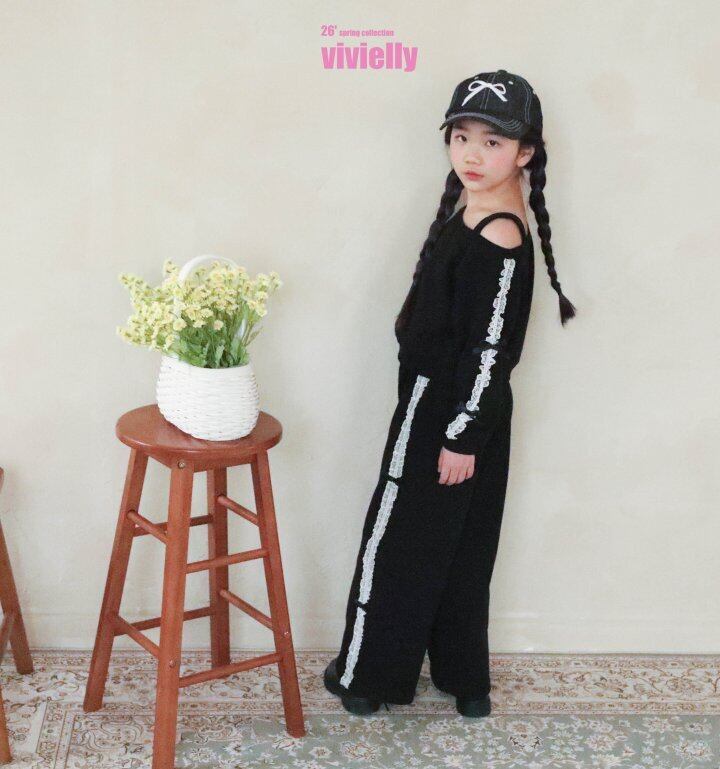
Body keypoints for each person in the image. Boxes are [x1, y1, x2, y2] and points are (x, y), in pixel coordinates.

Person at [324, 69, 576, 717]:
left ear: (525, 152)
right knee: (460, 545)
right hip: (456, 406)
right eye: (461, 137)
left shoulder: (499, 235)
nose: (471, 154)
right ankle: (465, 682)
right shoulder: (479, 211)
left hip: (447, 410)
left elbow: (491, 349)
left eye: (493, 142)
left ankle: (368, 677)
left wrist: (462, 434)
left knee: (397, 542)